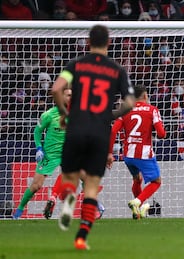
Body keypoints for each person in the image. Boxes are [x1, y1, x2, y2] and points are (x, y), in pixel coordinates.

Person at [51, 24, 135, 250]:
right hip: (100, 133)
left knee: (69, 178)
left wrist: (64, 113)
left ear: (88, 42)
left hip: (76, 128)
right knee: (91, 185)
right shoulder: (117, 70)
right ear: (108, 43)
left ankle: (69, 196)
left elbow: (57, 89)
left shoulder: (75, 65)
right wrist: (110, 114)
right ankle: (81, 237)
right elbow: (129, 102)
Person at [12, 86, 71, 219]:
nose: (71, 98)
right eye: (67, 95)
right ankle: (19, 210)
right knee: (36, 186)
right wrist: (39, 148)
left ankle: (55, 198)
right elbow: (37, 131)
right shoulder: (49, 115)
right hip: (50, 154)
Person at [107, 86, 166, 219]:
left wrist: (109, 154)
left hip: (128, 155)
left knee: (137, 179)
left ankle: (138, 211)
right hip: (144, 154)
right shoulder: (152, 110)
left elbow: (112, 131)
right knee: (156, 182)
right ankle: (137, 202)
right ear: (145, 96)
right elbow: (161, 134)